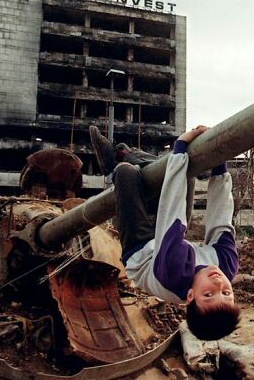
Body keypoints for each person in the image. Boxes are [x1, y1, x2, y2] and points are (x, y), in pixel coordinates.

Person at [90, 125, 240, 340]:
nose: (219, 284)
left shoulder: (174, 272)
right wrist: (219, 165)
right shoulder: (226, 266)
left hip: (141, 250)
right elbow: (221, 218)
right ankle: (122, 153)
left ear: (190, 296)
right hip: (174, 241)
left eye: (208, 295)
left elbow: (172, 213)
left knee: (127, 173)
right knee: (187, 174)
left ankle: (118, 160)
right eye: (226, 293)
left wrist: (179, 146)